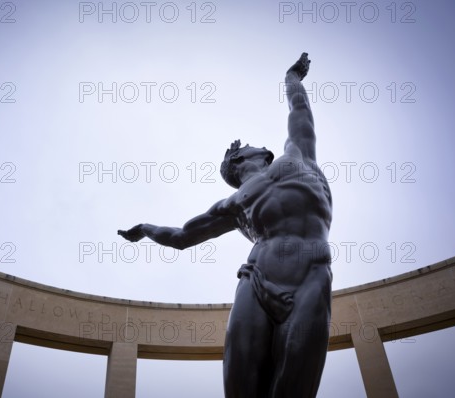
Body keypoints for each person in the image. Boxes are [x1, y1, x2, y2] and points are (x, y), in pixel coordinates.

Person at [118, 52, 333, 398]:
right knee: (241, 386)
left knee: (295, 385)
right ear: (240, 159)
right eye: (248, 145)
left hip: (311, 277)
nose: (258, 143)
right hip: (257, 279)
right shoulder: (233, 205)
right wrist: (144, 228)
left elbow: (300, 110)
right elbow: (182, 236)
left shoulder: (298, 155)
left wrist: (292, 77)